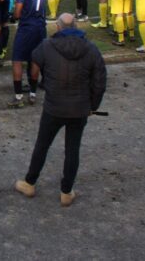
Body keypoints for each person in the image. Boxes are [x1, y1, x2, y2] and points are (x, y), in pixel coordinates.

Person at [15, 12, 107, 207]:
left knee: (42, 144)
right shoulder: (91, 49)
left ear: (57, 27)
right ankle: (66, 191)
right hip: (79, 107)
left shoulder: (47, 46)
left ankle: (30, 182)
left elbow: (34, 66)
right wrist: (93, 106)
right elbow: (100, 82)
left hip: (54, 106)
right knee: (72, 149)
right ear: (76, 26)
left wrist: (40, 83)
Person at [8, 0, 47, 108]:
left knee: (17, 60)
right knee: (35, 59)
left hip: (26, 29)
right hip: (41, 28)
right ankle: (32, 94)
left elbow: (18, 13)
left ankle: (18, 96)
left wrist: (13, 15)